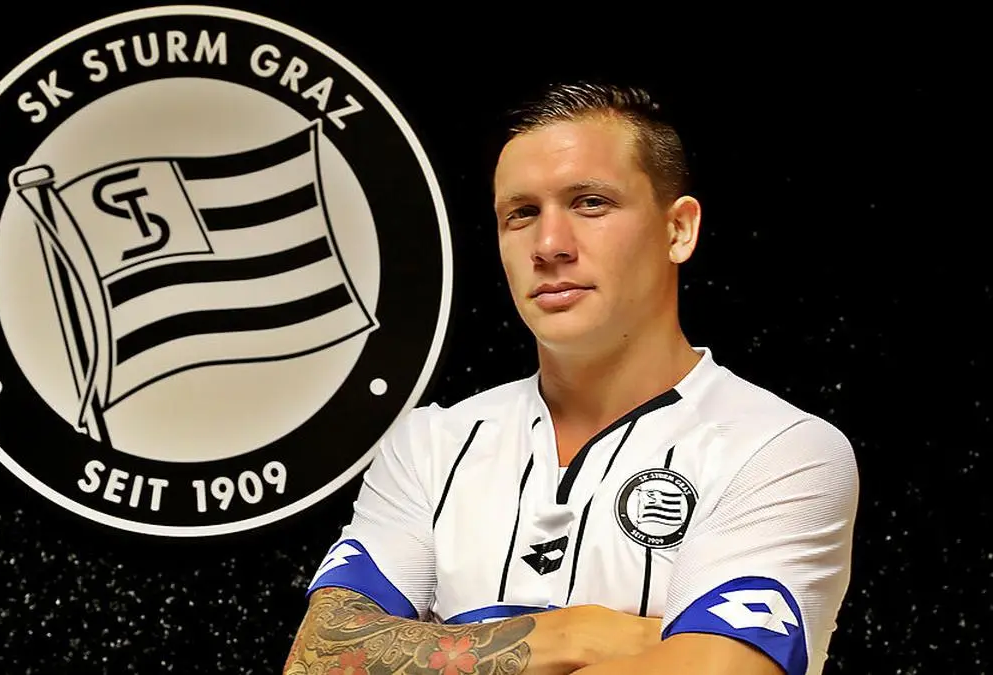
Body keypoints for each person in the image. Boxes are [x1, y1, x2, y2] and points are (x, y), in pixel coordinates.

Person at [282, 81, 859, 675]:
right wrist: (576, 634)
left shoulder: (779, 448)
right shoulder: (431, 446)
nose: (549, 245)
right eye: (522, 214)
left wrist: (442, 652)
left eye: (591, 203)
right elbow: (317, 658)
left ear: (678, 230)